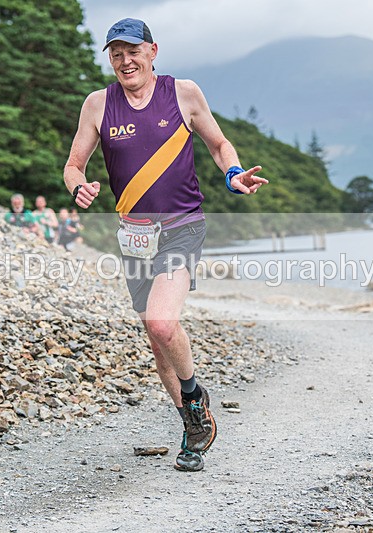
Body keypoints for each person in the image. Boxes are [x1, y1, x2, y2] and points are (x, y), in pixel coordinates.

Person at [64, 18, 267, 472]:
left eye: (133, 51)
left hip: (182, 226)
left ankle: (194, 398)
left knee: (160, 322)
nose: (125, 61)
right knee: (159, 342)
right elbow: (73, 164)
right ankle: (192, 426)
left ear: (152, 52)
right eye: (116, 54)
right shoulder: (98, 104)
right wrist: (78, 185)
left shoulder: (183, 93)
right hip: (134, 236)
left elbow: (219, 144)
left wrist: (233, 174)